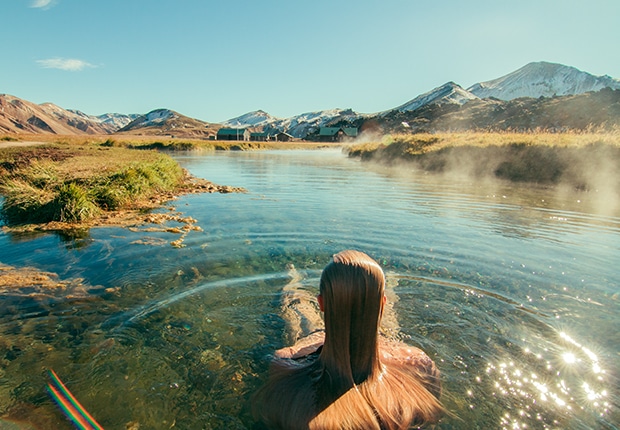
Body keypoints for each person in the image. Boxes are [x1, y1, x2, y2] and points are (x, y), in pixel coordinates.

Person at [253, 250, 443, 430]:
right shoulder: (419, 363)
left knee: (296, 304)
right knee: (387, 319)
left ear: (321, 303)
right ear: (381, 304)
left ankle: (293, 281)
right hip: (386, 342)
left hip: (317, 337)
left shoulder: (286, 362)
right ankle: (391, 283)